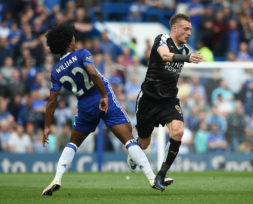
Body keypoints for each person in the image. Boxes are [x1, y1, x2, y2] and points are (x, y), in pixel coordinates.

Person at [41, 24, 165, 196]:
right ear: (70, 42)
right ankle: (152, 178)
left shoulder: (55, 72)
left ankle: (57, 178)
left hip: (84, 106)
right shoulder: (82, 53)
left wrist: (46, 126)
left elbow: (52, 101)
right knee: (128, 136)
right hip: (101, 97)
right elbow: (92, 73)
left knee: (73, 143)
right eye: (73, 38)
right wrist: (105, 95)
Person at [128, 13, 202, 191]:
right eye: (186, 29)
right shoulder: (162, 39)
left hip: (169, 100)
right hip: (149, 99)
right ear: (174, 28)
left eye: (191, 30)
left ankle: (161, 174)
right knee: (144, 143)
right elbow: (165, 56)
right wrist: (187, 58)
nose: (189, 33)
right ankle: (133, 154)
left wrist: (187, 57)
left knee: (178, 131)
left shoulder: (184, 49)